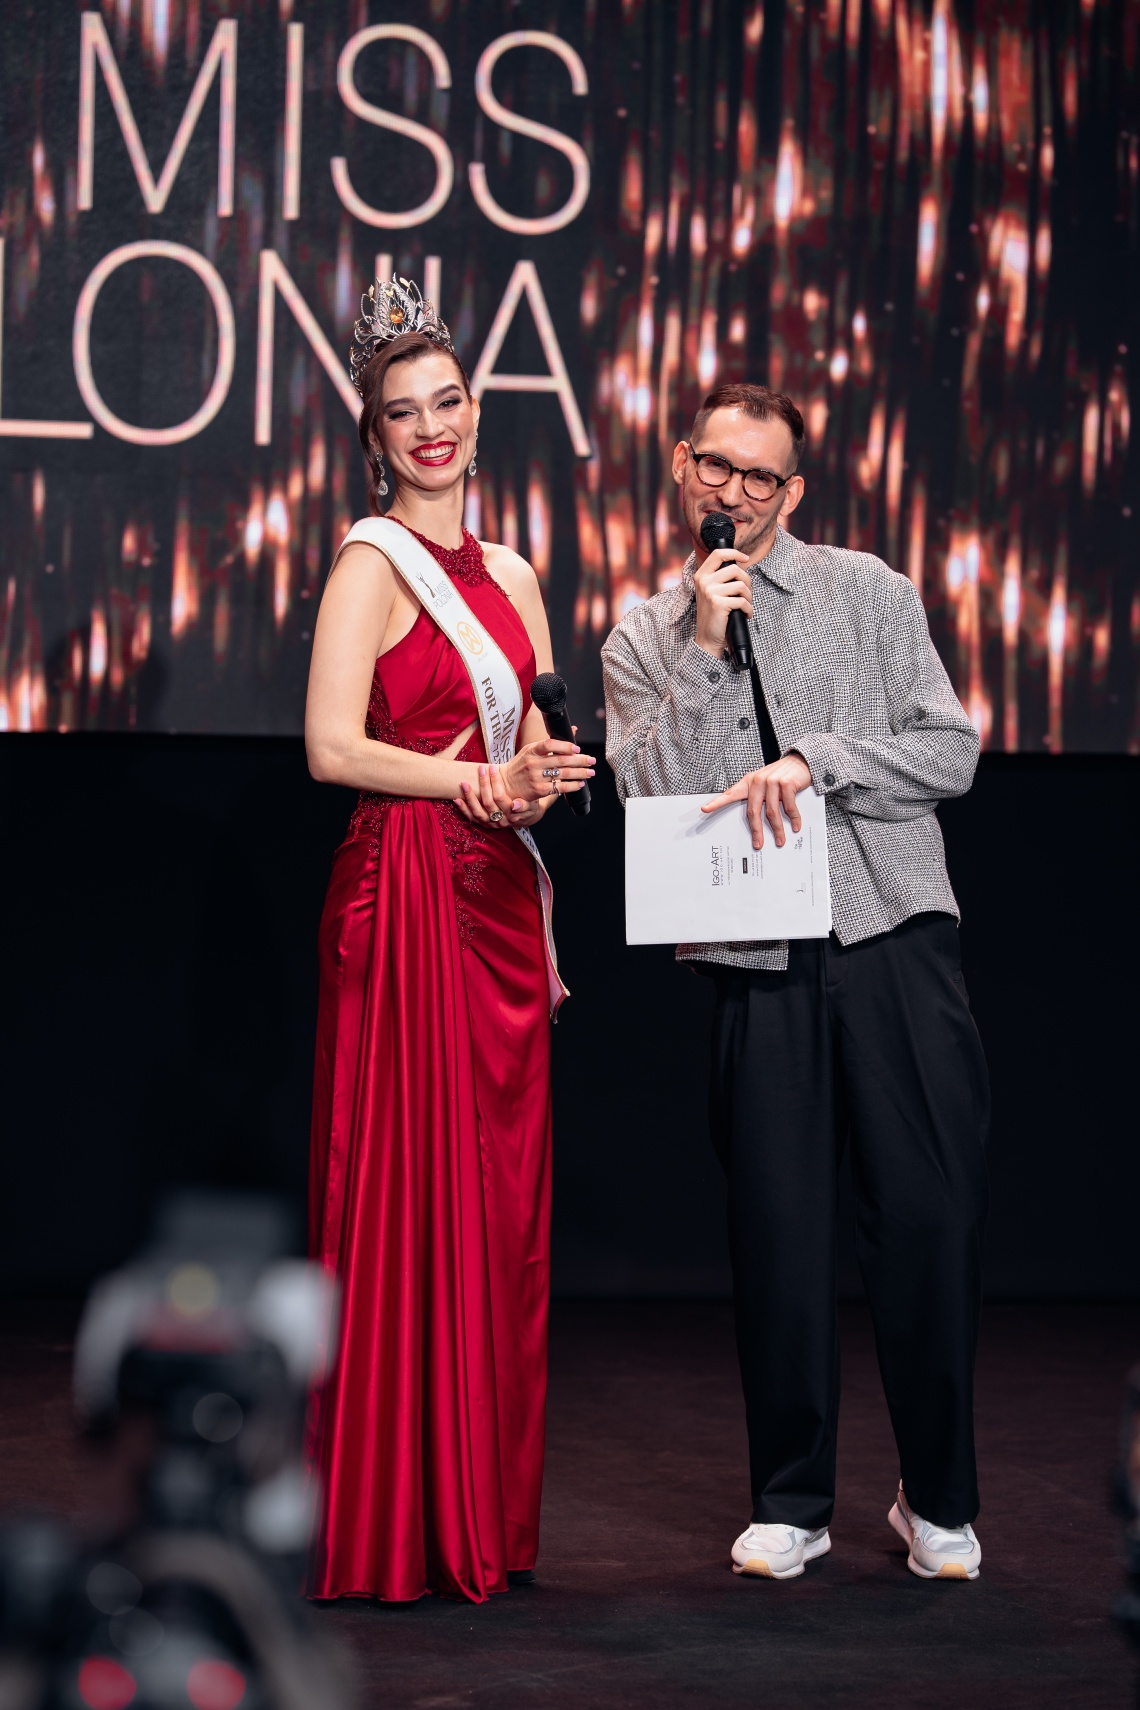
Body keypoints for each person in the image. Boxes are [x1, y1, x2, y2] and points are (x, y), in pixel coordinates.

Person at [602, 382, 990, 1583]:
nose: (735, 491)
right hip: (751, 953)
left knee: (926, 1219)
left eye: (759, 475)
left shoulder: (868, 590)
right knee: (777, 1231)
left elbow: (951, 748)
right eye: (716, 466)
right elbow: (646, 792)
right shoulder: (642, 636)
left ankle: (937, 1500)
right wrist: (703, 648)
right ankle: (792, 1499)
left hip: (891, 934)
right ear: (683, 467)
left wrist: (819, 761)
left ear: (793, 490)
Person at [303, 277, 594, 1603]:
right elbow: (332, 749)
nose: (431, 428)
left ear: (478, 414)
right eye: (403, 411)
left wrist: (539, 778)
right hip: (403, 891)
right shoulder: (369, 563)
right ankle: (391, 1520)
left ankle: (485, 1511)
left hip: (493, 904)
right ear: (374, 436)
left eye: (449, 401)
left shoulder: (517, 573)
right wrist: (475, 782)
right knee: (399, 1198)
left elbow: (522, 746)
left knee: (500, 1215)